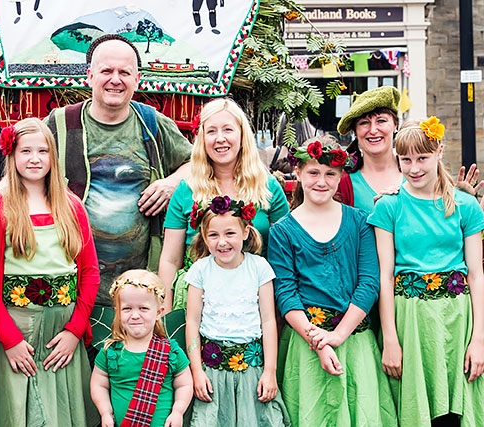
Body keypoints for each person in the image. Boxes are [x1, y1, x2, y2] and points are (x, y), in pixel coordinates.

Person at [44, 34, 192, 307]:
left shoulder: (153, 124)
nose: (115, 79)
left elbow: (198, 164)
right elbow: (20, 173)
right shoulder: (60, 124)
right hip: (71, 284)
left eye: (124, 72)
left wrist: (171, 182)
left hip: (140, 289)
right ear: (89, 76)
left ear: (137, 79)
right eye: (106, 71)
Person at [267, 136, 397, 426]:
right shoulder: (283, 232)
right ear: (298, 173)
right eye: (313, 173)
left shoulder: (360, 222)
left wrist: (338, 336)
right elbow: (286, 294)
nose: (321, 181)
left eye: (330, 174)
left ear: (341, 177)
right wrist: (321, 343)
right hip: (307, 343)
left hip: (354, 339)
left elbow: (368, 284)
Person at [0, 118, 99, 427]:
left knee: (62, 412)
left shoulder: (71, 206)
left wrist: (74, 331)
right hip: (18, 330)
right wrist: (9, 338)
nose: (34, 159)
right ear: (11, 155)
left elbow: (89, 273)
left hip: (62, 330)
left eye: (43, 151)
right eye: (25, 151)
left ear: (52, 156)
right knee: (20, 412)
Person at [368, 117, 484, 426]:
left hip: (458, 318)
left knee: (456, 410)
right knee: (417, 408)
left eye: (423, 158)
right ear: (398, 159)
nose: (415, 167)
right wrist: (390, 337)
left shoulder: (466, 206)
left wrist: (479, 339)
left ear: (440, 152)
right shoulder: (389, 207)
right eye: (406, 159)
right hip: (411, 320)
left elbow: (476, 274)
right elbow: (385, 275)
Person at [159, 98, 289, 311]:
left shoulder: (268, 187)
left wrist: (279, 310)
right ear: (202, 138)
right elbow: (170, 260)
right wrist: (165, 312)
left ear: (241, 134)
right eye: (211, 131)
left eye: (227, 129)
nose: (220, 139)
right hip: (198, 301)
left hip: (254, 300)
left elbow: (285, 254)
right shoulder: (186, 190)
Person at [184, 196, 290, 427]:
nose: (222, 242)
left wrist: (269, 371)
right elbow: (192, 322)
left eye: (230, 233)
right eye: (213, 235)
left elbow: (269, 321)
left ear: (245, 232)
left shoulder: (259, 267)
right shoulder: (200, 271)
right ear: (204, 236)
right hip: (212, 371)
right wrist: (196, 372)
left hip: (252, 370)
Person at [337, 85, 482, 213]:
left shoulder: (424, 172)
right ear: (355, 132)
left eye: (381, 121)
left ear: (395, 125)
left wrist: (462, 200)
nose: (373, 130)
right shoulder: (343, 182)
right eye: (364, 123)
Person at [90, 269, 193, 427]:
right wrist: (105, 412)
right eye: (127, 309)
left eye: (143, 308)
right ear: (117, 312)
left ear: (159, 312)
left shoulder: (170, 350)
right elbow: (99, 384)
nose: (135, 315)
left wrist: (178, 411)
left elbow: (184, 383)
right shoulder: (110, 351)